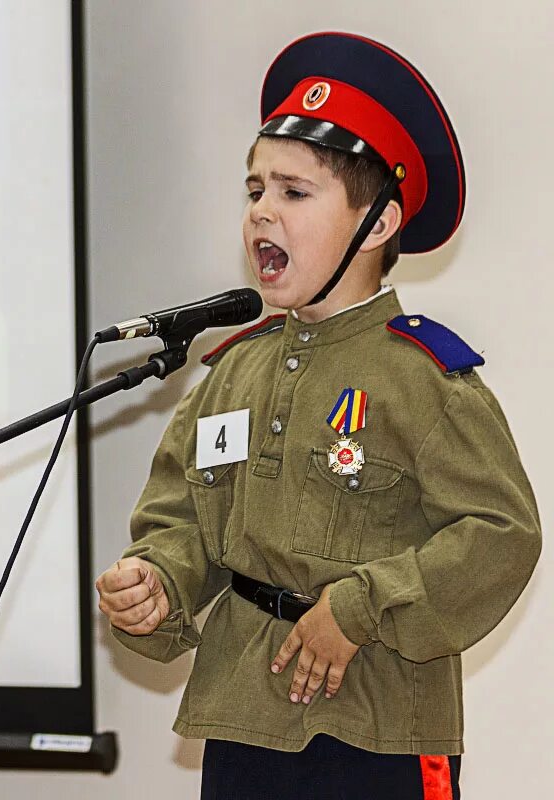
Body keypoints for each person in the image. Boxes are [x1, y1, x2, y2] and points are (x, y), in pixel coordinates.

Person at [95, 32, 540, 799]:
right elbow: (185, 525)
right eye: (255, 190)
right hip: (242, 720)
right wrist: (157, 582)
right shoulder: (229, 371)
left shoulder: (425, 377)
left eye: (294, 193)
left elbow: (502, 534)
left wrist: (361, 606)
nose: (263, 212)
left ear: (378, 226)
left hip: (378, 728)